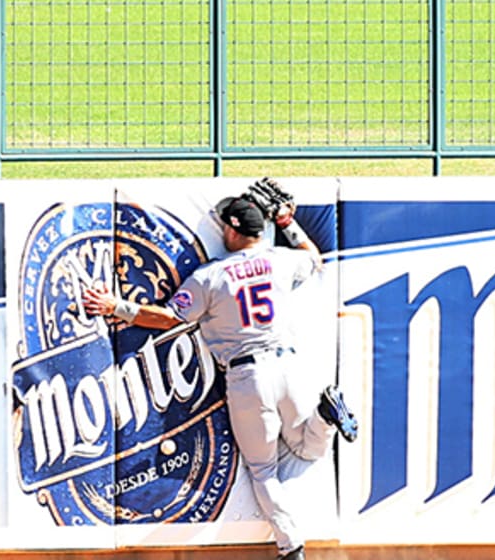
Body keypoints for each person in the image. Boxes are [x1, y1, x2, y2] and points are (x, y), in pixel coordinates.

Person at [83, 194, 357, 560]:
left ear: (232, 229)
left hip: (248, 375)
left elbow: (169, 318)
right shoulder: (281, 260)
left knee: (263, 470)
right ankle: (325, 417)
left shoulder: (211, 276)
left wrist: (118, 307)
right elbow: (313, 257)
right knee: (310, 448)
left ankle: (292, 549)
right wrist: (288, 221)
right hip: (290, 367)